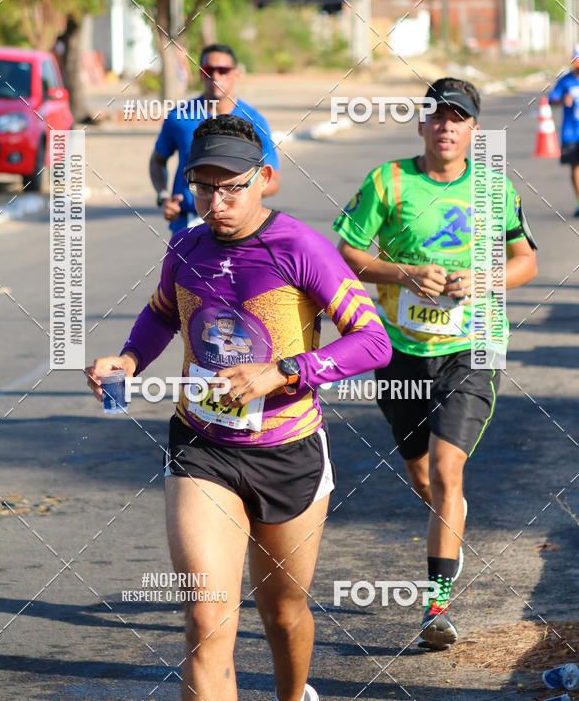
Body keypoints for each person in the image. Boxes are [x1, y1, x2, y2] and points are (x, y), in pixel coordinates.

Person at [87, 114, 392, 700]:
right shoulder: (185, 247)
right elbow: (162, 312)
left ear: (265, 179)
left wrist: (283, 372)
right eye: (203, 187)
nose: (217, 201)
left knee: (282, 614)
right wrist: (128, 361)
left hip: (289, 451)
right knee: (206, 621)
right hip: (204, 448)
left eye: (231, 186)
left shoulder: (301, 248)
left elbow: (372, 341)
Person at [332, 78, 537, 651]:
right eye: (436, 116)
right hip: (399, 350)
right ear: (420, 124)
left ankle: (435, 608)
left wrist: (486, 279)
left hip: (473, 348)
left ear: (474, 129)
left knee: (449, 471)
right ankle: (451, 519)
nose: (446, 126)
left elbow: (525, 261)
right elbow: (347, 253)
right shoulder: (388, 181)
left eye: (458, 118)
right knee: (423, 476)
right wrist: (403, 274)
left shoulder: (495, 189)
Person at [150, 43, 281, 232]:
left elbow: (273, 181)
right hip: (188, 224)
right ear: (200, 74)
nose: (215, 76)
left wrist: (235, 191)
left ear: (236, 73)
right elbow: (157, 161)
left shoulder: (255, 121)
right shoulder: (180, 117)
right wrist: (163, 197)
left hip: (235, 224)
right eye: (208, 70)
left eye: (223, 70)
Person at [548, 45, 579, 216]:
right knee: (575, 167)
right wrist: (562, 101)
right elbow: (552, 99)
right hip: (572, 133)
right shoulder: (565, 80)